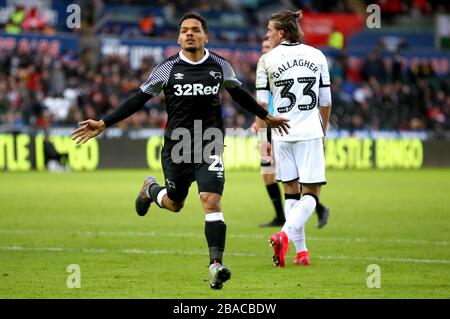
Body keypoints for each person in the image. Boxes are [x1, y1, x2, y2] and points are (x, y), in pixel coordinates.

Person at [71, 12, 290, 289]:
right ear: (178, 37)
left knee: (211, 200)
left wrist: (265, 115)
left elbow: (238, 93)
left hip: (209, 142)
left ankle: (215, 266)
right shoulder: (167, 68)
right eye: (184, 30)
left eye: (195, 30)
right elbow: (139, 98)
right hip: (177, 146)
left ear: (205, 36)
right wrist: (104, 123)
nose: (189, 34)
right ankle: (150, 189)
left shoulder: (220, 66)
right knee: (175, 203)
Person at [255, 10, 332, 267]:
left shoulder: (266, 60)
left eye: (270, 31)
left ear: (282, 33)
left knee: (291, 191)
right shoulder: (317, 55)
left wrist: (268, 125)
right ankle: (284, 235)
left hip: (281, 133)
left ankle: (301, 253)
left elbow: (262, 104)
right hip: (309, 132)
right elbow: (325, 101)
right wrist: (324, 128)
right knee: (311, 192)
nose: (267, 35)